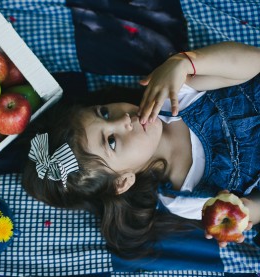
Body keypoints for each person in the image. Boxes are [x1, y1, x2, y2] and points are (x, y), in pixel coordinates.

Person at [21, 41, 260, 259]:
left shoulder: (171, 95)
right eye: (111, 141)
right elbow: (251, 208)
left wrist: (185, 62)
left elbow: (255, 62)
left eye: (104, 113)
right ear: (122, 181)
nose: (123, 119)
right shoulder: (182, 198)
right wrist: (248, 210)